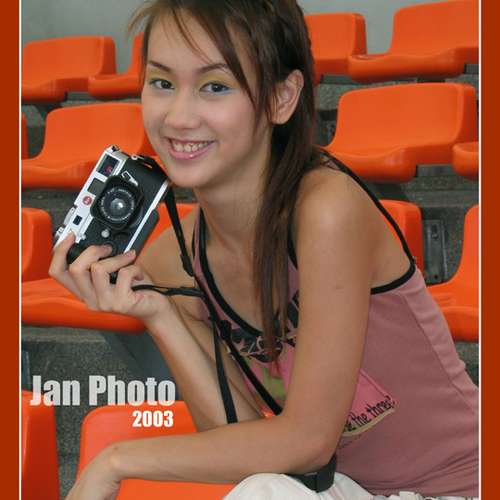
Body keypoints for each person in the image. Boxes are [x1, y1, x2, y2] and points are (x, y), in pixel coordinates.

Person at [49, 1, 478, 499]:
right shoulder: (174, 261)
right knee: (262, 489)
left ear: (281, 97)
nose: (179, 116)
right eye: (162, 82)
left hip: (462, 486)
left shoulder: (326, 209)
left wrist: (115, 461)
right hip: (348, 489)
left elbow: (308, 442)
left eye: (215, 86)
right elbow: (238, 440)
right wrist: (160, 313)